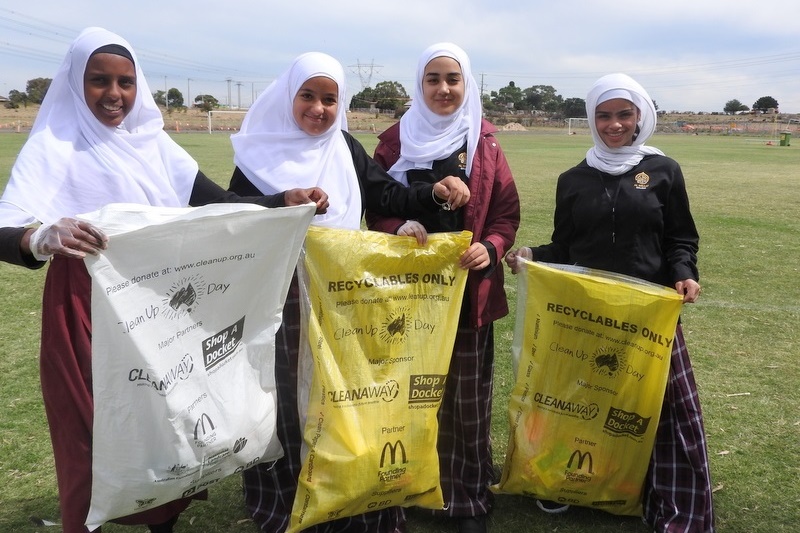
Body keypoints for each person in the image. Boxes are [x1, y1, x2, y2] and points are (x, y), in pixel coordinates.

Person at [0, 27, 327, 533]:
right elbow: (7, 228)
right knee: (88, 425)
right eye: (99, 81)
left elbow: (218, 202)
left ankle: (162, 522)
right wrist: (40, 236)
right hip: (83, 305)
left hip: (156, 302)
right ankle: (82, 520)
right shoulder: (54, 145)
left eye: (126, 83)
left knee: (164, 412)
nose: (114, 95)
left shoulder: (154, 145)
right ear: (75, 83)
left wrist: (280, 202)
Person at [227, 51, 471, 533]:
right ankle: (282, 505)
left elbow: (387, 195)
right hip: (280, 299)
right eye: (308, 96)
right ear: (289, 95)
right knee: (282, 399)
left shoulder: (344, 147)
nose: (319, 109)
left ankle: (343, 491)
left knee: (337, 397)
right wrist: (280, 202)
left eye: (330, 99)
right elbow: (231, 212)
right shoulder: (258, 153)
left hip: (340, 295)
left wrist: (434, 194)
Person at [505, 73, 714, 533]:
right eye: (604, 115)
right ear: (591, 118)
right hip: (586, 314)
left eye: (624, 114)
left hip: (646, 312)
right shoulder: (573, 179)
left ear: (640, 117)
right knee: (577, 404)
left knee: (663, 410)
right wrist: (532, 256)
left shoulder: (663, 171)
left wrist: (684, 273)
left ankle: (675, 504)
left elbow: (681, 237)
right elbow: (566, 246)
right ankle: (568, 484)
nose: (614, 124)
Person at [366, 43, 520, 533]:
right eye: (433, 79)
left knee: (468, 400)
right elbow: (377, 207)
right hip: (408, 298)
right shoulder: (393, 142)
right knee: (412, 396)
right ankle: (410, 489)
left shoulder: (485, 141)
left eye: (453, 79)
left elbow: (505, 213)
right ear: (419, 84)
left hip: (470, 296)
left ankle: (466, 496)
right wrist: (398, 228)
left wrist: (491, 248)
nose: (444, 89)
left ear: (467, 83)